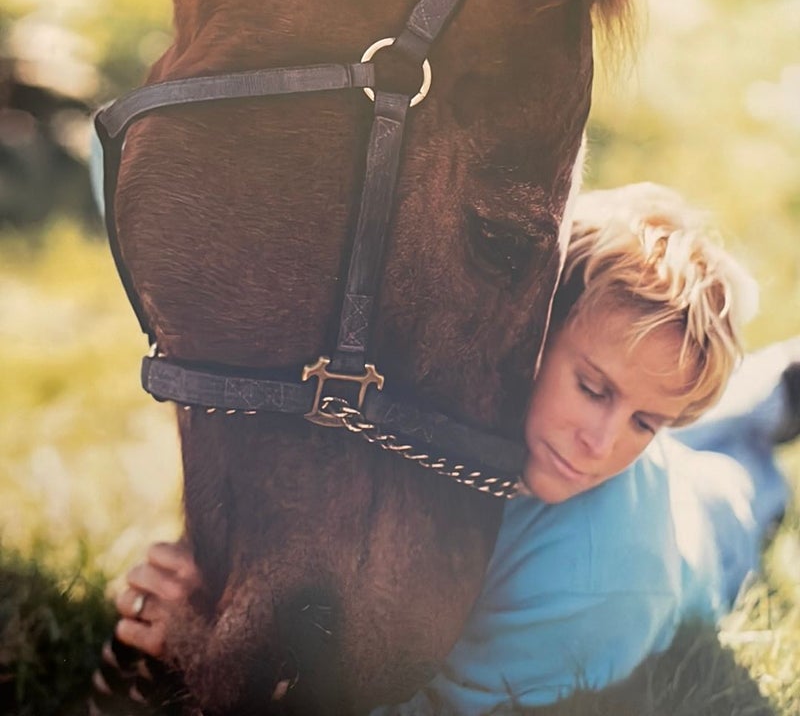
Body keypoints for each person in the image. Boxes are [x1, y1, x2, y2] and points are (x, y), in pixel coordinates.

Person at [111, 182, 799, 712]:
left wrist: (211, 657)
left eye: (644, 423)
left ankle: (765, 411)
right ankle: (762, 393)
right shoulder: (447, 394)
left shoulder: (597, 586)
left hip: (702, 536)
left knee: (738, 480)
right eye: (591, 388)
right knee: (695, 433)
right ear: (527, 330)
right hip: (655, 478)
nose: (601, 443)